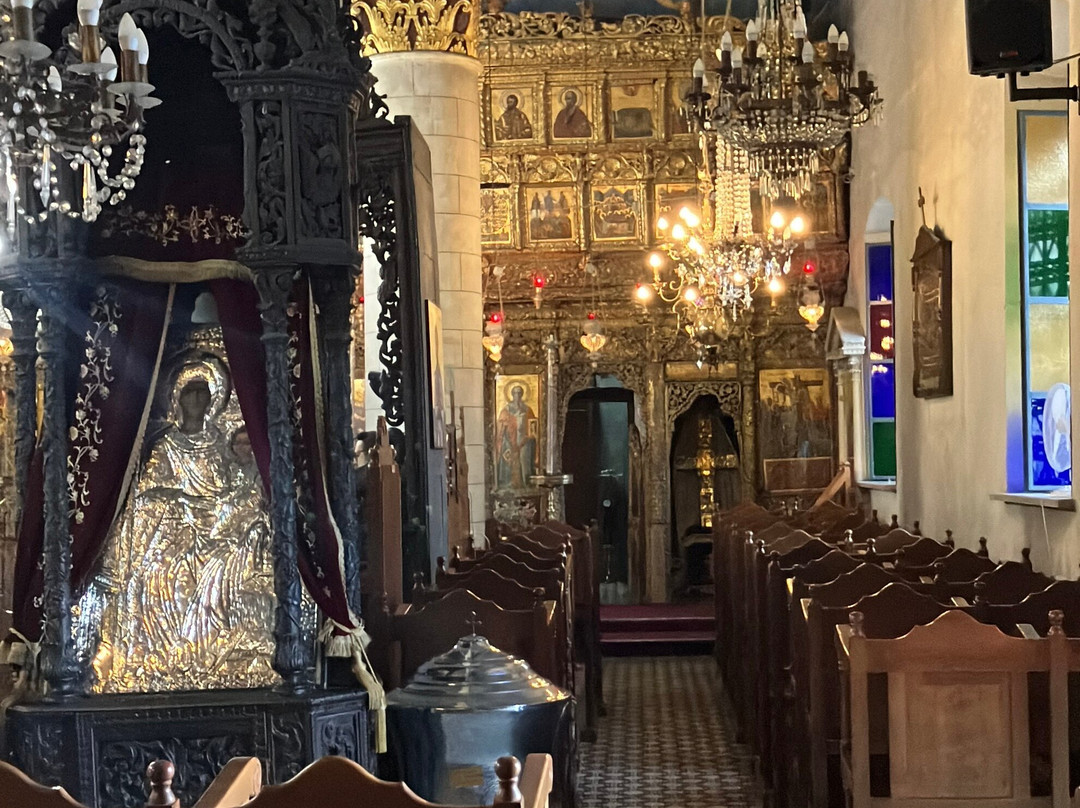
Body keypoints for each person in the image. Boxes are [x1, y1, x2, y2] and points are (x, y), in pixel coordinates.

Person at [496, 384, 538, 489]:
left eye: (519, 393)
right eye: (515, 393)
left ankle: (526, 483)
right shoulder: (506, 410)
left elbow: (533, 427)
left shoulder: (528, 410)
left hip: (524, 442)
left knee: (525, 459)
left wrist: (529, 437)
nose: (517, 395)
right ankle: (507, 484)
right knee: (509, 458)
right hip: (509, 441)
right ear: (511, 394)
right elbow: (500, 429)